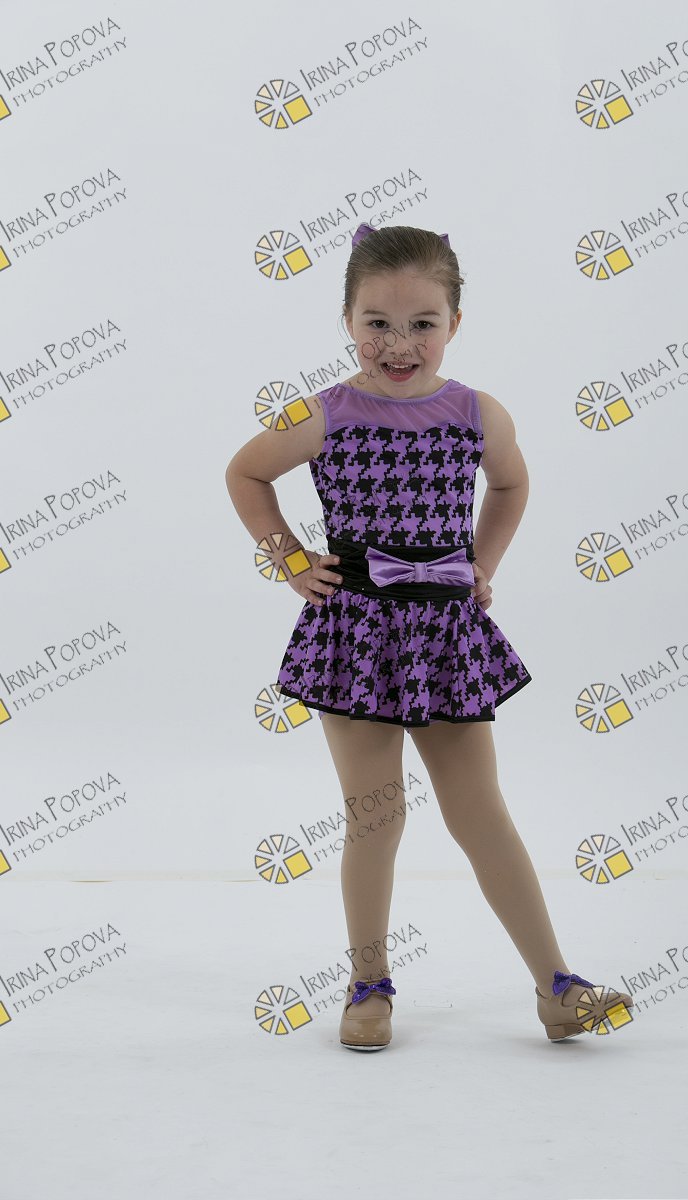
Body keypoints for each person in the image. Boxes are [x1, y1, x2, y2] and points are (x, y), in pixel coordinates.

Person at [225, 222, 633, 1051]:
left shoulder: (478, 413)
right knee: (375, 817)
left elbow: (511, 486)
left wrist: (481, 565)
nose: (399, 344)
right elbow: (246, 471)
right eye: (377, 322)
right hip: (355, 632)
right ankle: (368, 983)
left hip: (445, 632)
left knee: (481, 814)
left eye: (422, 324)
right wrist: (292, 560)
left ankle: (556, 985)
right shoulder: (323, 413)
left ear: (455, 323)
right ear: (346, 319)